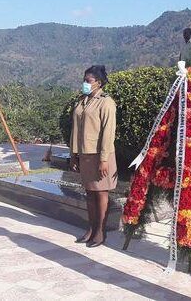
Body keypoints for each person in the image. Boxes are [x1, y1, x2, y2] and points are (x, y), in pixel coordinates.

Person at [70, 65, 117, 248]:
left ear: (99, 82)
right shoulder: (82, 101)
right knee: (89, 193)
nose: (85, 84)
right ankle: (91, 228)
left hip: (100, 155)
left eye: (88, 81)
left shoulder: (106, 102)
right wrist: (73, 154)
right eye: (84, 80)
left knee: (101, 193)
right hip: (85, 153)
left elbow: (108, 133)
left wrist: (104, 159)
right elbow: (75, 130)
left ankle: (100, 232)